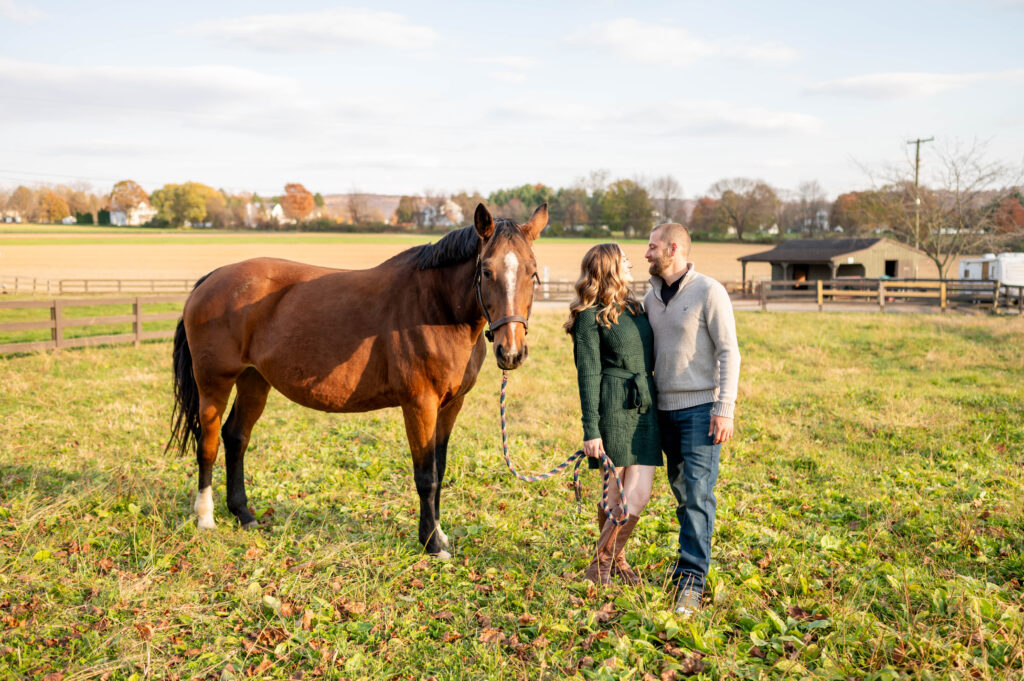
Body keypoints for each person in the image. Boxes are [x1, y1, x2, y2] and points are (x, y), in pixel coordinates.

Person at [643, 223, 740, 615]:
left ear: (674, 247)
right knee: (683, 494)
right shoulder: (650, 298)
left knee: (699, 495)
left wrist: (724, 407)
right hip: (663, 411)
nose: (646, 254)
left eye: (651, 247)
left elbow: (729, 353)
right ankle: (688, 562)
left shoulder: (708, 291)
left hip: (701, 411)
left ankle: (692, 582)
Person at [565, 243, 661, 586]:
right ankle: (606, 564)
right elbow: (587, 375)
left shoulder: (635, 307)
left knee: (641, 491)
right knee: (616, 494)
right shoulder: (588, 318)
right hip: (613, 405)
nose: (631, 263)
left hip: (644, 405)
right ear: (608, 268)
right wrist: (591, 429)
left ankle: (606, 558)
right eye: (624, 261)